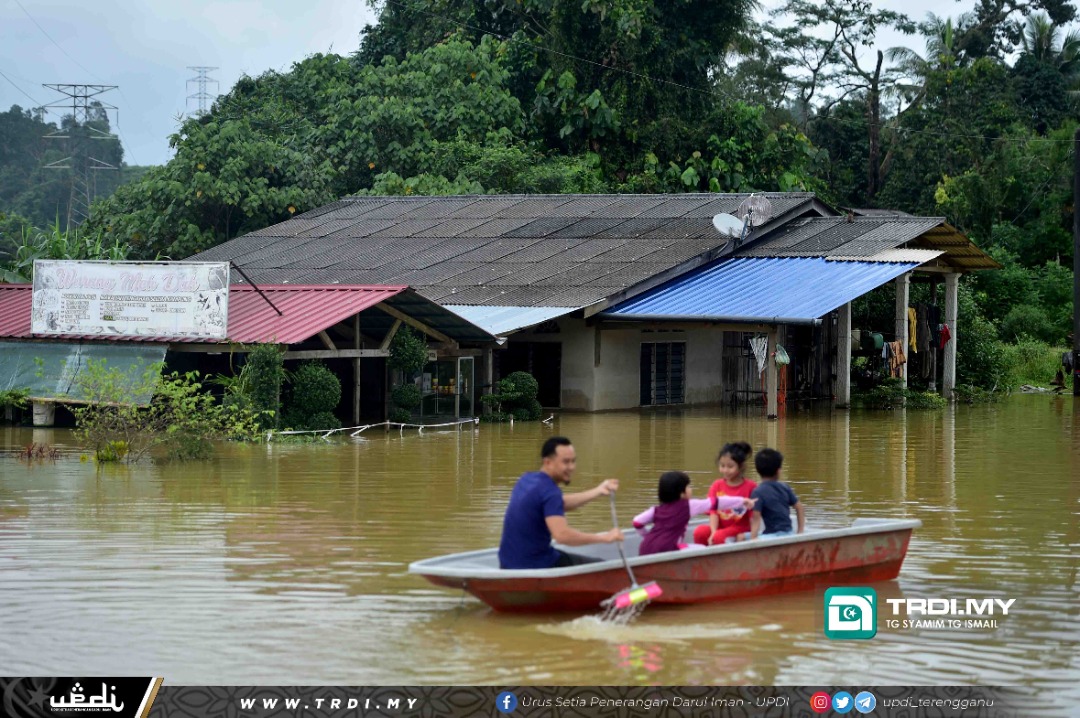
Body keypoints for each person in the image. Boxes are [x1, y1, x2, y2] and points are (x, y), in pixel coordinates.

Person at [498, 436, 624, 569]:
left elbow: (559, 503)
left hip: (507, 564)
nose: (571, 467)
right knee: (603, 567)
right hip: (536, 565)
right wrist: (605, 538)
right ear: (548, 462)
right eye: (566, 462)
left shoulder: (526, 479)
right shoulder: (550, 491)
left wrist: (598, 491)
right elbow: (563, 536)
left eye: (573, 461)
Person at [633, 471, 755, 556]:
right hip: (667, 549)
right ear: (682, 493)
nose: (690, 489)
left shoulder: (655, 509)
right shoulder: (688, 505)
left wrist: (647, 536)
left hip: (645, 549)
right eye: (688, 487)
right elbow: (718, 502)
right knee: (702, 550)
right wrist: (742, 501)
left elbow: (637, 522)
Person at [693, 442, 757, 546]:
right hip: (720, 527)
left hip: (740, 528)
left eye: (730, 466)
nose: (725, 470)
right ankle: (703, 559)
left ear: (740, 467)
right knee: (699, 532)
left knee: (718, 536)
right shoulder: (717, 485)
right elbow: (713, 513)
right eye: (722, 466)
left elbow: (754, 516)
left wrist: (753, 536)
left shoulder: (751, 487)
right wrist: (713, 532)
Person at [749, 448, 805, 540]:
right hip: (788, 532)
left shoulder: (757, 492)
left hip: (770, 536)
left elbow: (756, 519)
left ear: (758, 470)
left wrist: (753, 539)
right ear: (778, 471)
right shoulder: (785, 487)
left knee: (741, 537)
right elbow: (799, 507)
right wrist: (800, 532)